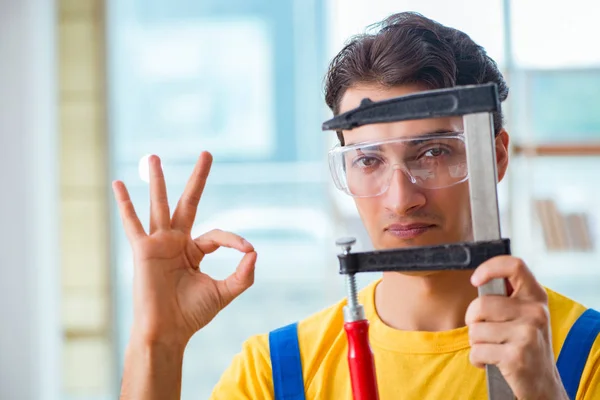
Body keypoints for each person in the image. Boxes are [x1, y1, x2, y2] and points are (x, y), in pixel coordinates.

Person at [114, 12, 600, 400]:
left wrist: (544, 394)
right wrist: (159, 342)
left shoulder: (585, 355)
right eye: (368, 160)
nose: (401, 198)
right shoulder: (282, 372)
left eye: (432, 153)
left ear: (495, 156)